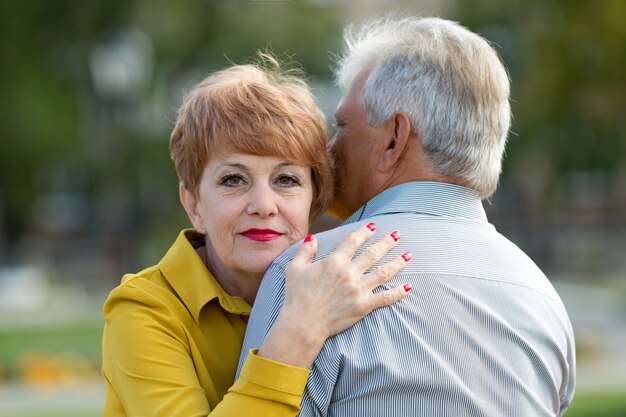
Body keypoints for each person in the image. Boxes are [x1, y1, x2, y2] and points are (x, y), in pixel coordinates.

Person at [239, 16, 576, 416]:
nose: (328, 149)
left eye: (343, 125)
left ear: (394, 139)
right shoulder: (542, 297)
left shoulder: (310, 276)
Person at [100, 58, 414, 417]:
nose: (264, 205)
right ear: (194, 204)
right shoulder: (142, 310)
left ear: (315, 200)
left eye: (287, 180)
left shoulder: (338, 288)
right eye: (233, 180)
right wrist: (299, 330)